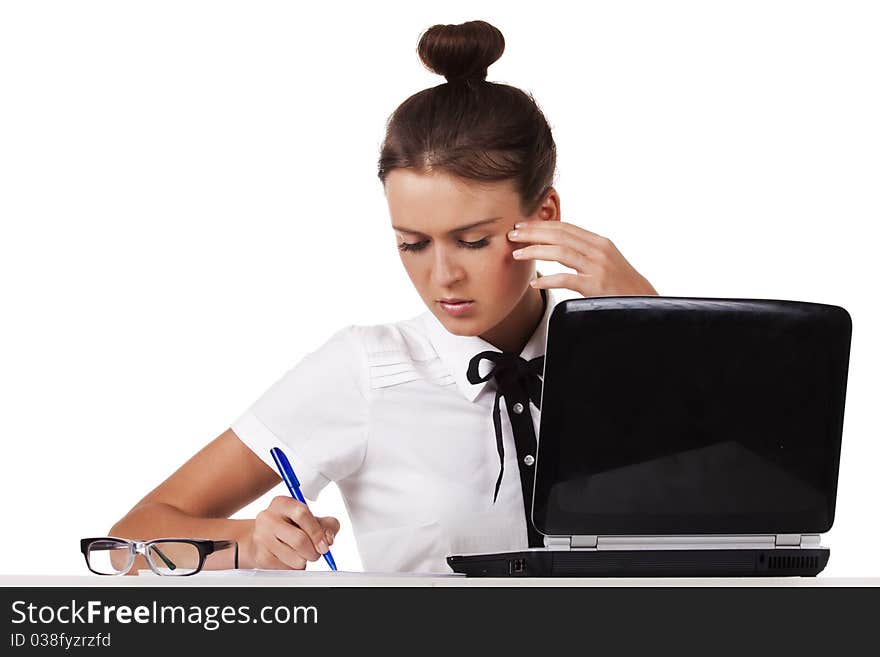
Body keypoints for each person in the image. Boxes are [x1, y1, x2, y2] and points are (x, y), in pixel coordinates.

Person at [109, 19, 658, 574]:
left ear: (546, 216)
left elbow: (742, 496)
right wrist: (250, 542)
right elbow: (128, 541)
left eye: (472, 241)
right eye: (413, 244)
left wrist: (659, 325)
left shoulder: (628, 358)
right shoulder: (365, 371)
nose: (442, 276)